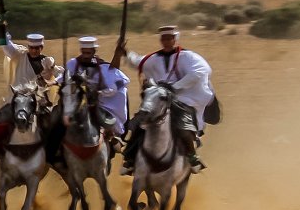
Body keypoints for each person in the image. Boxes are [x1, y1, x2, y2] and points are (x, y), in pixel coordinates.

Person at [119, 25, 214, 175]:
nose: (166, 41)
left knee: (182, 125)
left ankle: (192, 156)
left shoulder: (188, 56)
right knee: (141, 123)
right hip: (158, 98)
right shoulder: (154, 58)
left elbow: (201, 71)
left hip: (181, 99)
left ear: (175, 39)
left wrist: (175, 87)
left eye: (169, 38)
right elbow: (138, 61)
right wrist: (125, 53)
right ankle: (130, 159)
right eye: (164, 38)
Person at [60, 36, 129, 152]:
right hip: (73, 103)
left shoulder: (101, 66)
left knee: (106, 119)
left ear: (94, 51)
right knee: (55, 119)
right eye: (84, 52)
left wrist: (117, 55)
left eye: (89, 52)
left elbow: (113, 75)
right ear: (81, 51)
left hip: (94, 103)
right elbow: (63, 79)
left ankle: (112, 137)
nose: (86, 54)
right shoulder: (73, 64)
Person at [0, 31, 61, 125]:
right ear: (28, 47)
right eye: (31, 48)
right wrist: (1, 28)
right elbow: (5, 45)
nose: (34, 50)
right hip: (17, 100)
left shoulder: (47, 61)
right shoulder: (18, 54)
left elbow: (61, 74)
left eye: (37, 48)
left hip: (38, 102)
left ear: (41, 48)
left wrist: (51, 82)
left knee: (52, 125)